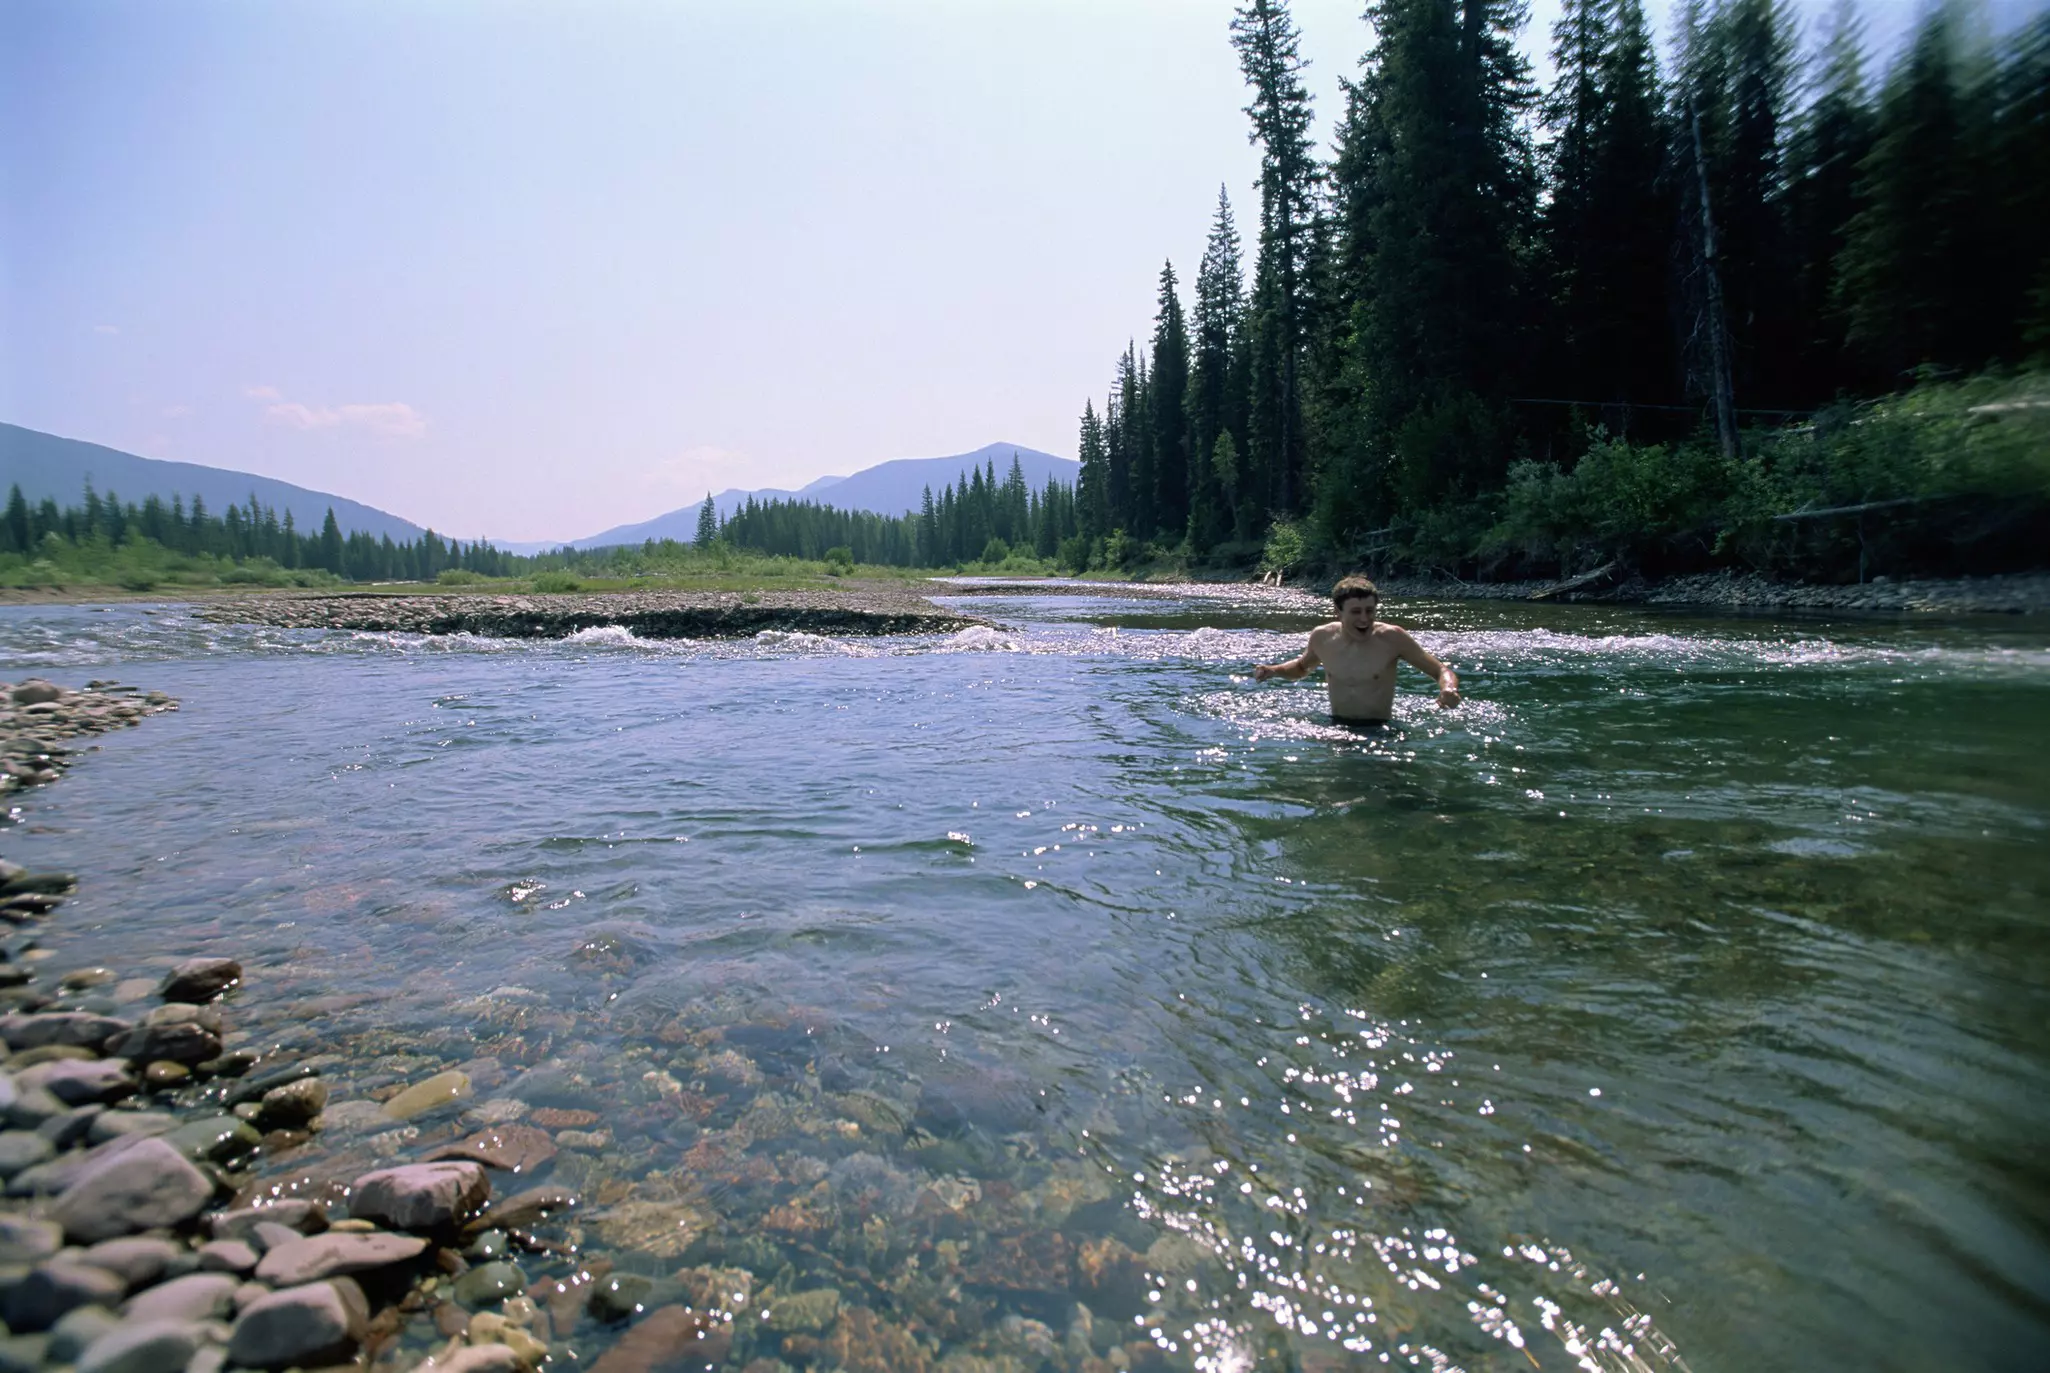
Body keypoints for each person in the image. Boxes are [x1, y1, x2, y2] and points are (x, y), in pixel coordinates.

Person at [1252, 576, 1460, 726]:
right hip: (1336, 729)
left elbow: (1440, 670)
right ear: (1338, 613)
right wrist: (1274, 670)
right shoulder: (1322, 637)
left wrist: (1448, 688)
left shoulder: (1392, 638)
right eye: (1356, 612)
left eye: (1370, 611)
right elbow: (1300, 668)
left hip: (1380, 732)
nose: (1364, 619)